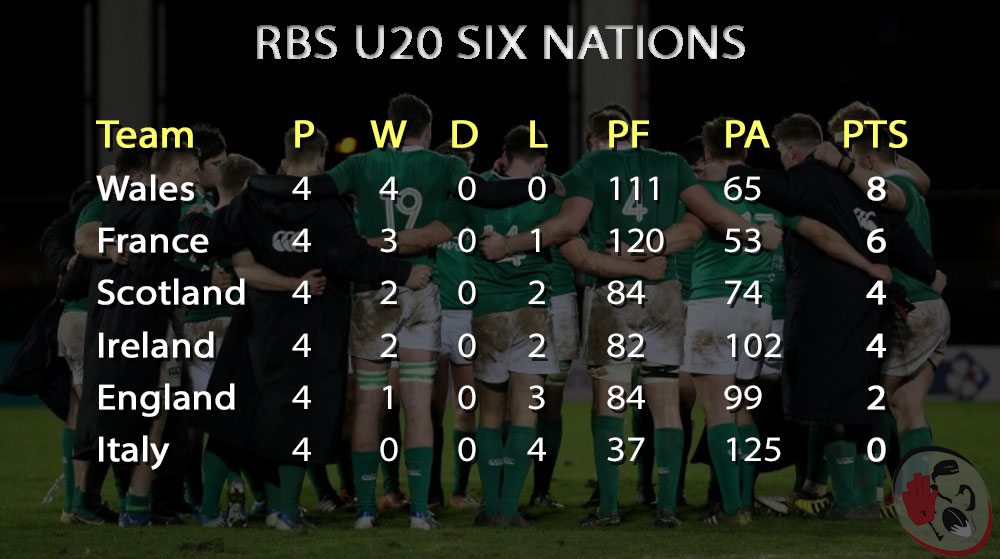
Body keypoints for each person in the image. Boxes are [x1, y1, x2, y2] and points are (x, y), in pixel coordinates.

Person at [185, 127, 430, 531]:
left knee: (238, 415)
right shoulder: (328, 204)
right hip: (311, 324)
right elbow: (353, 258)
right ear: (321, 161)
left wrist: (196, 220)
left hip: (258, 323)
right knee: (297, 419)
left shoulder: (254, 198)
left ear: (285, 160)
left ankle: (217, 510)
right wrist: (404, 272)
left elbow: (209, 238)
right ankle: (285, 511)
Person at [723, 113, 943, 520]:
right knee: (894, 403)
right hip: (902, 304)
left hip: (875, 306)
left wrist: (728, 169)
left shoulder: (841, 182)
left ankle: (852, 497)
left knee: (841, 403)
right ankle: (888, 497)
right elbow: (908, 200)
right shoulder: (877, 185)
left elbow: (818, 225)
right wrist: (930, 272)